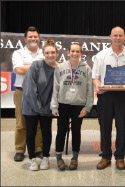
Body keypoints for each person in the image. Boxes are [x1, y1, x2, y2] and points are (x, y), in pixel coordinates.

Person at [92, 26, 125, 170]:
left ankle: (120, 157)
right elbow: (95, 77)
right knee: (104, 127)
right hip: (106, 96)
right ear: (110, 37)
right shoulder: (101, 55)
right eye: (115, 35)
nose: (117, 38)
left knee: (122, 127)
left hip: (123, 96)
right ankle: (105, 156)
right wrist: (98, 86)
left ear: (124, 37)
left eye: (120, 35)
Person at [51, 43, 93, 170]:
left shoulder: (86, 68)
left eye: (77, 51)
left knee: (76, 131)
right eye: (72, 51)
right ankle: (59, 157)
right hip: (63, 104)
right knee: (61, 131)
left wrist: (87, 107)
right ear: (68, 52)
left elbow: (90, 89)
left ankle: (75, 158)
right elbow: (55, 87)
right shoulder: (60, 67)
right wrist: (54, 106)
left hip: (79, 105)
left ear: (81, 53)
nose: (75, 54)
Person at [22, 39, 59, 171]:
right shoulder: (35, 65)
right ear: (43, 53)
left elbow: (57, 90)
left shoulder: (59, 69)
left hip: (47, 108)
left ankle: (46, 158)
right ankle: (32, 159)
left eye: (52, 52)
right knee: (31, 133)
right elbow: (30, 89)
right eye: (47, 52)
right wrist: (38, 107)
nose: (50, 55)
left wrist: (51, 107)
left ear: (57, 53)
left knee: (46, 133)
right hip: (31, 106)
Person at [12, 26, 43, 162]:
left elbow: (49, 67)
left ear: (39, 38)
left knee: (39, 123)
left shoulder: (44, 53)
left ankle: (38, 149)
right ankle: (19, 150)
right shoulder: (18, 53)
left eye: (35, 36)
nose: (33, 39)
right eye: (30, 37)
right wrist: (38, 66)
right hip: (22, 92)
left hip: (40, 93)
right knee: (21, 123)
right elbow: (18, 70)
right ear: (25, 39)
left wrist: (28, 67)